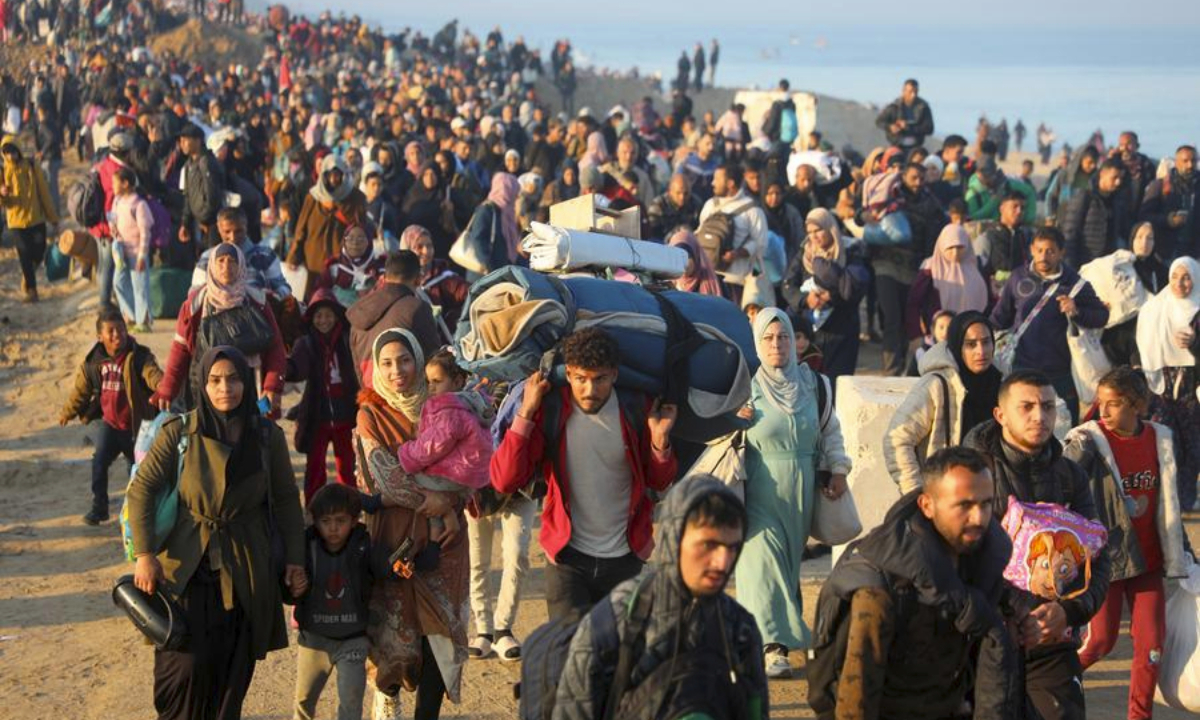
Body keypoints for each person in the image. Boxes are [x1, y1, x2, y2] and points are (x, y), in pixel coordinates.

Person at [128, 346, 307, 720]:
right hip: (185, 570)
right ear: (201, 384)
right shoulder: (179, 433)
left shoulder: (265, 436)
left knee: (232, 673)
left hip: (246, 568)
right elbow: (141, 489)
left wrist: (294, 560)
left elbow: (288, 501)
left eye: (234, 378)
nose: (226, 388)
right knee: (183, 668)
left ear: (247, 380)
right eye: (215, 380)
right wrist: (144, 555)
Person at [808, 447, 1019, 720]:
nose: (979, 518)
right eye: (964, 505)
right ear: (927, 506)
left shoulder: (982, 564)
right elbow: (855, 702)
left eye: (986, 503)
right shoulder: (879, 591)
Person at [490, 327, 679, 621]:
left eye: (600, 379)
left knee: (618, 661)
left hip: (625, 559)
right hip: (567, 561)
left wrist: (660, 441)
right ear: (568, 374)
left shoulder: (636, 409)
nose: (590, 390)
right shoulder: (552, 409)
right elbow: (505, 479)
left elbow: (658, 481)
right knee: (570, 658)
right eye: (581, 379)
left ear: (614, 375)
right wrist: (526, 411)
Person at [552, 475, 769, 719]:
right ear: (674, 540)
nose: (723, 562)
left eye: (732, 547)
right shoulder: (618, 619)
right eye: (708, 545)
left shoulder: (740, 627)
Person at [963, 370, 1112, 720]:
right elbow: (959, 560)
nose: (1039, 417)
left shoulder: (1070, 476)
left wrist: (1069, 611)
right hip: (983, 641)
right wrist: (1020, 609)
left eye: (1047, 407)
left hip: (1053, 642)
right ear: (1000, 415)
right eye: (1026, 407)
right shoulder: (969, 474)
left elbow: (1100, 555)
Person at [355, 328, 469, 720]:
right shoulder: (370, 414)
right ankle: (387, 699)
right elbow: (385, 478)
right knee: (394, 635)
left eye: (404, 360)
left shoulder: (446, 405)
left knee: (438, 632)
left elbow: (471, 463)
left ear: (418, 361)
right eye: (386, 363)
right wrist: (439, 503)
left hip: (447, 541)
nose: (397, 370)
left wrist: (453, 501)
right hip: (393, 537)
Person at [733, 308, 851, 678]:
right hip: (760, 485)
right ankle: (771, 645)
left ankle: (774, 636)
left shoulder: (815, 385)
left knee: (785, 567)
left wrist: (839, 469)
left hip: (801, 486)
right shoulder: (745, 387)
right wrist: (734, 418)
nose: (776, 345)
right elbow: (723, 435)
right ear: (757, 342)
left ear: (794, 341)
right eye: (768, 338)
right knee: (761, 561)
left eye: (782, 336)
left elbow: (830, 430)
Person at [1065, 367, 1187, 720]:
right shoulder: (1091, 440)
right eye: (1100, 403)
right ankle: (1046, 684)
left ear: (1136, 405)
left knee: (1151, 648)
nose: (1103, 412)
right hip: (1109, 562)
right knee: (1100, 641)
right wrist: (1079, 444)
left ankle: (1139, 716)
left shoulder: (1159, 438)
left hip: (1148, 561)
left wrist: (1184, 553)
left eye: (1113, 404)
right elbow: (1065, 473)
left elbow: (1169, 502)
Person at [152, 243, 288, 415]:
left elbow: (275, 348)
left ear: (241, 266)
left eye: (232, 261)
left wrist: (272, 386)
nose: (226, 267)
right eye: (221, 261)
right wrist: (167, 389)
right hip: (207, 386)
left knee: (250, 434)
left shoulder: (257, 302)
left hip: (250, 385)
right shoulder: (195, 305)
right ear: (212, 266)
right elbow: (180, 349)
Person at [990, 227, 1109, 423]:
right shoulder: (1018, 277)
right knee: (1022, 422)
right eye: (1039, 250)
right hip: (1021, 366)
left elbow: (1101, 316)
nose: (1044, 256)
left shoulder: (1075, 284)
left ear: (1062, 252)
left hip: (1059, 372)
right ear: (1031, 250)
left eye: (1051, 251)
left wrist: (1076, 310)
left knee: (1061, 425)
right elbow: (999, 318)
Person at [59, 308, 162, 525]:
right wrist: (67, 412)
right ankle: (100, 508)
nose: (118, 335)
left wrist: (163, 386)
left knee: (137, 472)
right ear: (100, 337)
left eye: (121, 329)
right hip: (110, 425)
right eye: (111, 331)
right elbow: (81, 391)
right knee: (99, 464)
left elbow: (152, 374)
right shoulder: (94, 362)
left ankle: (140, 512)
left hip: (136, 427)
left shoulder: (139, 356)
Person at [885, 311, 1001, 493]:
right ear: (956, 346)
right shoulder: (936, 385)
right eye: (971, 344)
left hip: (991, 498)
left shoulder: (1001, 383)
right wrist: (916, 493)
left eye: (986, 342)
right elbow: (897, 439)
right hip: (944, 498)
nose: (981, 351)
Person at [293, 483, 373, 720]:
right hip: (314, 639)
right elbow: (287, 586)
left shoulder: (364, 545)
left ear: (355, 519)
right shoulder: (306, 546)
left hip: (353, 640)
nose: (333, 528)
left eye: (340, 521)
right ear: (314, 521)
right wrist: (294, 590)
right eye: (325, 521)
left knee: (350, 706)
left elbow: (382, 571)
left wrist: (397, 568)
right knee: (302, 703)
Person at [396, 349, 494, 539]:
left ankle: (434, 539)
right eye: (429, 381)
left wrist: (406, 454)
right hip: (466, 476)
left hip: (453, 474)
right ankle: (440, 531)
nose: (431, 388)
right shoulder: (468, 404)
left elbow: (432, 447)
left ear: (457, 382)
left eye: (437, 381)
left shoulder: (449, 411)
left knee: (407, 482)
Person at [1135, 257, 1200, 511]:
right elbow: (1139, 345)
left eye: (1186, 277)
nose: (1180, 283)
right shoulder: (1155, 308)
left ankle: (1185, 498)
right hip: (1159, 386)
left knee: (1192, 445)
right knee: (1165, 444)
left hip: (1191, 388)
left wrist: (1195, 343)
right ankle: (1167, 500)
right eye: (1175, 276)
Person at [286, 289, 360, 503]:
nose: (323, 320)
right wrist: (282, 367)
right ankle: (312, 507)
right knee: (315, 467)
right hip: (317, 414)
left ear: (337, 315)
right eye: (318, 316)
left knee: (347, 466)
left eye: (328, 315)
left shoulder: (349, 339)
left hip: (347, 413)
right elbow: (297, 369)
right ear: (311, 318)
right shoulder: (306, 343)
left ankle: (351, 505)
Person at [781, 208, 869, 381]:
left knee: (838, 386)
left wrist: (832, 297)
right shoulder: (804, 254)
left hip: (842, 330)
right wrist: (806, 299)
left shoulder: (850, 251)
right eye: (810, 232)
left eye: (818, 230)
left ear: (830, 228)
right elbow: (788, 285)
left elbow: (857, 287)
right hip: (810, 334)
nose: (814, 237)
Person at [346, 251, 440, 380]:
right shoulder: (417, 308)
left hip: (370, 394)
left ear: (384, 277)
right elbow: (433, 359)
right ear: (418, 279)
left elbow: (356, 364)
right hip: (404, 393)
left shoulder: (360, 309)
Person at [287, 154, 368, 297]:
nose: (334, 179)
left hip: (342, 263)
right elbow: (301, 229)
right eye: (330, 175)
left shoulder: (356, 198)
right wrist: (293, 256)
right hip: (313, 262)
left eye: (338, 175)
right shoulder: (313, 197)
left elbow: (361, 230)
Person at [697, 162, 768, 306]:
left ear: (730, 183)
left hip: (734, 282)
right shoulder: (710, 205)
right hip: (706, 279)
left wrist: (738, 253)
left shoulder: (753, 210)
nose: (712, 183)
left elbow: (761, 245)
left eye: (717, 179)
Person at [906, 224, 990, 342]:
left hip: (972, 335)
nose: (955, 253)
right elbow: (914, 303)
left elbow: (990, 301)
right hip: (939, 337)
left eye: (960, 247)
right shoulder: (930, 269)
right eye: (950, 248)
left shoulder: (978, 267)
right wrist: (916, 336)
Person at [0, 135, 57, 302]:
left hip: (36, 218)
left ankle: (28, 276)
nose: (10, 156)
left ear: (18, 150)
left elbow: (44, 192)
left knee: (39, 251)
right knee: (24, 254)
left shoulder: (32, 166)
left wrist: (52, 217)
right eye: (6, 153)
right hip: (16, 222)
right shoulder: (3, 171)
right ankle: (32, 290)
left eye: (12, 152)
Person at [193, 207, 293, 298]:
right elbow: (194, 293)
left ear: (246, 227)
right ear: (219, 228)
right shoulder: (208, 258)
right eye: (227, 232)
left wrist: (269, 297)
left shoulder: (265, 256)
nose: (233, 238)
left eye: (238, 231)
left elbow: (283, 288)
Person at [399, 225, 470, 338]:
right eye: (419, 246)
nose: (426, 251)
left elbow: (468, 292)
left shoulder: (443, 277)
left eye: (429, 246)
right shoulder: (396, 278)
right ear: (407, 249)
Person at [1062, 158, 1130, 269]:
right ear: (1102, 173)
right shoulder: (1085, 196)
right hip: (1084, 262)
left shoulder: (1117, 201)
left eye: (1120, 178)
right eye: (1114, 177)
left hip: (1106, 265)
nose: (1118, 182)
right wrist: (1070, 266)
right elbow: (1070, 232)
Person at [109, 166, 154, 331]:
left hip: (137, 253)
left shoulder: (139, 204)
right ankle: (131, 316)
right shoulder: (117, 201)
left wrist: (142, 256)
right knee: (118, 283)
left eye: (115, 183)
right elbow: (113, 218)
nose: (113, 186)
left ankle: (144, 321)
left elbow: (145, 232)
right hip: (121, 252)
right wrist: (112, 227)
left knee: (140, 287)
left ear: (125, 183)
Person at [1140, 145, 1199, 260]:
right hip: (1167, 251)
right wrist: (1169, 220)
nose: (1190, 165)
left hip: (1194, 252)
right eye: (1185, 161)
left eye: (1193, 161)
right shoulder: (1161, 185)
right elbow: (1144, 216)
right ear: (1176, 163)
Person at [462, 172, 521, 277]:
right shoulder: (487, 210)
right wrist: (489, 267)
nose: (516, 195)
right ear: (505, 190)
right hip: (483, 275)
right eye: (513, 191)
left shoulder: (508, 213)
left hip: (499, 271)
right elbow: (478, 238)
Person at [177, 123, 227, 248]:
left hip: (211, 226)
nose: (182, 144)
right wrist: (185, 223)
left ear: (198, 141)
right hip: (198, 224)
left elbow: (213, 196)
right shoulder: (189, 165)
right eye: (180, 140)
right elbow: (188, 196)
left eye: (185, 140)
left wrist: (205, 220)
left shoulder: (207, 163)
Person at [317, 224, 386, 308]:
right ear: (344, 242)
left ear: (369, 242)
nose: (355, 243)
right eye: (350, 239)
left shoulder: (380, 269)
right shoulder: (334, 268)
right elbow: (319, 296)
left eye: (360, 239)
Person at [977, 192, 1034, 291]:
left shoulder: (1028, 236)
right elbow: (978, 270)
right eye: (1014, 206)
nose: (1019, 211)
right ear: (1002, 208)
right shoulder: (988, 237)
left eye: (1022, 208)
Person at [874, 79, 934, 149]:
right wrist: (890, 127)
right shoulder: (894, 106)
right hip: (896, 144)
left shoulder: (923, 107)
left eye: (915, 92)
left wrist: (909, 128)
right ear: (904, 91)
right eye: (910, 92)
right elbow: (879, 121)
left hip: (916, 146)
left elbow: (930, 129)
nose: (913, 95)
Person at [646, 173, 702, 241]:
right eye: (678, 193)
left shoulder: (696, 204)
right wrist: (677, 233)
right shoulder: (658, 205)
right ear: (670, 192)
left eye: (686, 193)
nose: (682, 197)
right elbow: (653, 234)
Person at [668, 229, 723, 296]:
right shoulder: (666, 285)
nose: (681, 263)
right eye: (676, 257)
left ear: (696, 257)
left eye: (686, 257)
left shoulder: (711, 283)